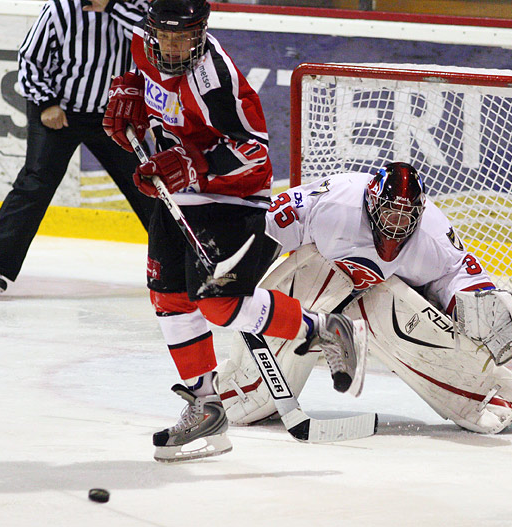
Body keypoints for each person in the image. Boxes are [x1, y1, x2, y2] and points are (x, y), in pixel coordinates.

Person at [102, 0, 367, 462]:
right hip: (180, 195)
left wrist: (192, 164)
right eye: (164, 36)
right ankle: (205, 404)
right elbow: (144, 82)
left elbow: (256, 154)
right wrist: (127, 94)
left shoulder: (217, 82)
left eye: (183, 37)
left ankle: (324, 328)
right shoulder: (144, 50)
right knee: (169, 298)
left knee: (219, 303)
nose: (172, 46)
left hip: (233, 199)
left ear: (201, 33)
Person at [216, 162, 512, 434]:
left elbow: (459, 275)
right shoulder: (336, 201)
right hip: (316, 295)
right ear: (371, 202)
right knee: (247, 407)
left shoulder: (432, 235)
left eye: (406, 216)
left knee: (400, 303)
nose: (397, 225)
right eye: (390, 213)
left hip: (377, 309)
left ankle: (485, 393)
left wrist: (476, 303)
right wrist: (230, 260)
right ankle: (245, 386)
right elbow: (268, 223)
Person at [0, 0, 155, 301]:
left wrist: (112, 7)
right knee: (35, 183)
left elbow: (154, 38)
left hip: (114, 117)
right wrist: (47, 103)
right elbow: (30, 60)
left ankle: (181, 265)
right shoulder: (61, 9)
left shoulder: (137, 7)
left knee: (148, 185)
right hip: (60, 110)